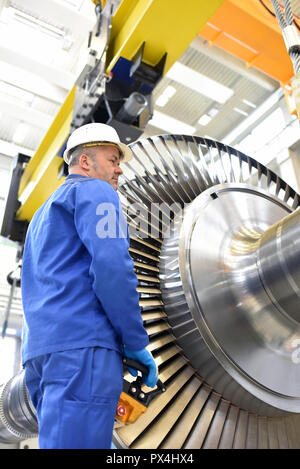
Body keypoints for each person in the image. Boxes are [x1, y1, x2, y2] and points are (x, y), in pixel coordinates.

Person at [21, 123, 158, 449]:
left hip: (41, 355)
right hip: (83, 352)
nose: (119, 169)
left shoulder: (42, 215)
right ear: (85, 162)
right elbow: (113, 266)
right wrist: (134, 340)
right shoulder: (97, 192)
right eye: (113, 160)